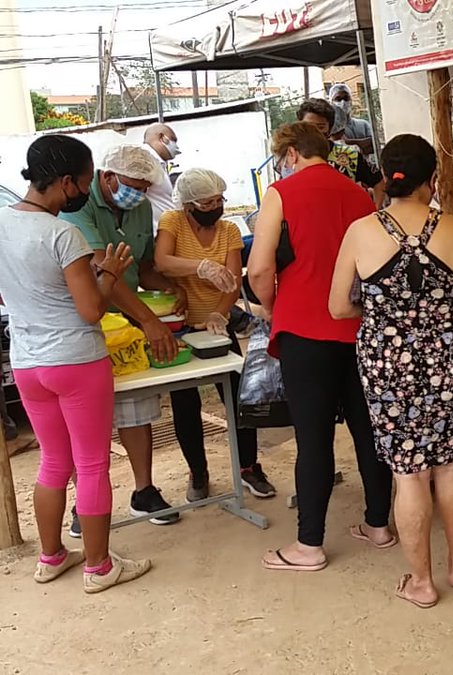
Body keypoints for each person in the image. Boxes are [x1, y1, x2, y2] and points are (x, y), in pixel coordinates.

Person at [330, 134, 453, 607]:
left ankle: (422, 583)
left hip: (388, 365)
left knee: (409, 473)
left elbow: (338, 308)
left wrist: (385, 311)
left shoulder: (360, 231)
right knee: (450, 466)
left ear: (387, 178)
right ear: (433, 178)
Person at [0, 135, 151, 592]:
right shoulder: (62, 233)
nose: (85, 191)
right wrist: (108, 271)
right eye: (84, 182)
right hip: (76, 360)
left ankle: (50, 557)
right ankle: (100, 567)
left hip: (28, 363)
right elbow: (91, 310)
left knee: (53, 462)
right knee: (90, 465)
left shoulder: (2, 224)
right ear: (67, 182)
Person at [249, 122, 394, 572]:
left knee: (314, 439)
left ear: (290, 153)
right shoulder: (358, 194)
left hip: (304, 331)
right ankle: (379, 525)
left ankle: (309, 546)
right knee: (367, 430)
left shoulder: (281, 192)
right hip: (356, 327)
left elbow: (258, 269)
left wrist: (273, 307)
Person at [61, 143, 185, 530]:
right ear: (107, 177)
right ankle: (86, 504)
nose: (140, 195)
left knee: (137, 408)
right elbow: (104, 275)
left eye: (146, 188)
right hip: (88, 321)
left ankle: (143, 491)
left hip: (128, 324)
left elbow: (143, 266)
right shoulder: (78, 207)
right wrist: (150, 321)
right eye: (134, 185)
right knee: (87, 420)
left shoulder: (140, 206)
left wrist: (169, 287)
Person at [155, 168, 277, 502]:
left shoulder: (227, 229)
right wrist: (199, 267)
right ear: (190, 204)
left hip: (215, 326)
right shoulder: (172, 222)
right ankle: (198, 471)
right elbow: (162, 262)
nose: (217, 205)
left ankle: (249, 467)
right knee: (185, 403)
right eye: (209, 201)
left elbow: (233, 281)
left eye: (220, 199)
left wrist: (219, 313)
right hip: (180, 328)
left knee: (240, 397)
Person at [296, 98, 384, 205]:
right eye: (309, 126)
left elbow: (379, 182)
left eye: (320, 127)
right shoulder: (290, 158)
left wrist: (375, 212)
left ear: (330, 128)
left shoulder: (350, 156)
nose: (314, 132)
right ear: (299, 126)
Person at [141, 123, 181, 224]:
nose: (175, 145)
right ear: (162, 137)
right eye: (173, 140)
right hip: (155, 232)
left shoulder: (158, 163)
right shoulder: (145, 160)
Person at [328, 83, 375, 155]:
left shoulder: (363, 124)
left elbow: (373, 146)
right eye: (338, 99)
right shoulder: (331, 126)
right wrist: (362, 143)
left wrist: (349, 142)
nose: (343, 102)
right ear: (331, 102)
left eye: (346, 98)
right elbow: (339, 148)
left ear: (351, 100)